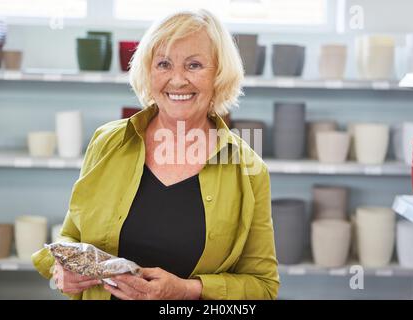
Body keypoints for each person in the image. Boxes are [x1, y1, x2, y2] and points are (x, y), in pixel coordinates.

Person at [32, 9, 279, 300]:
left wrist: (188, 290)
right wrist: (61, 271)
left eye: (194, 65)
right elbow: (71, 237)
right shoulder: (107, 142)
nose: (177, 80)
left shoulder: (248, 168)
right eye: (163, 64)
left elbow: (263, 287)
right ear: (148, 72)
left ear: (219, 75)